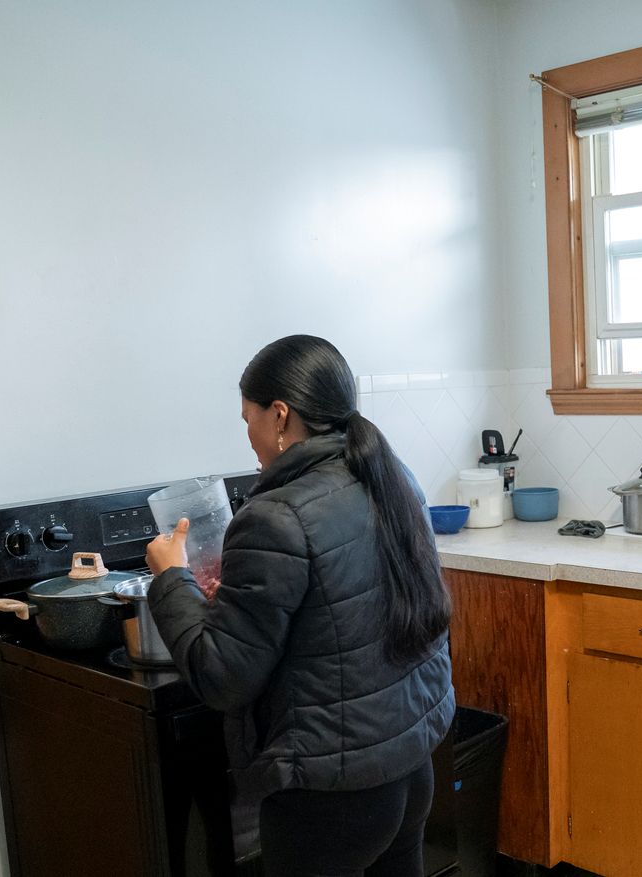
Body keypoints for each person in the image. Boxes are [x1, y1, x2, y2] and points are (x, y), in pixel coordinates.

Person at [145, 334, 455, 877]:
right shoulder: (391, 475)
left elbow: (221, 677)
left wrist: (171, 577)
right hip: (409, 764)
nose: (248, 436)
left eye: (248, 419)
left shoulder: (276, 516)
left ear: (281, 416)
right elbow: (340, 614)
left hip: (331, 794)